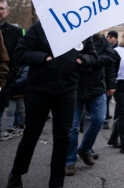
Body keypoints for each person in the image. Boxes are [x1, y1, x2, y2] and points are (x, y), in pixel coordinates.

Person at [6, 21, 96, 188]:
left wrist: (82, 60)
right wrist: (44, 57)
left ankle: (56, 183)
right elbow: (20, 53)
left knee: (63, 138)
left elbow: (93, 55)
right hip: (39, 89)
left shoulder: (81, 30)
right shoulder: (40, 28)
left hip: (67, 89)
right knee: (31, 135)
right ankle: (16, 174)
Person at [65, 32, 117, 176]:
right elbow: (68, 60)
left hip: (96, 88)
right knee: (73, 127)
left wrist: (90, 61)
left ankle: (84, 149)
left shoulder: (103, 41)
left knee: (99, 120)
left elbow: (110, 59)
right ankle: (69, 161)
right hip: (75, 88)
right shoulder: (72, 38)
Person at [0, 0, 24, 134]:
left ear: (7, 12)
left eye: (1, 8)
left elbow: (18, 56)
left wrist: (10, 75)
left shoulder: (15, 32)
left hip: (2, 82)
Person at [0, 64, 27, 141]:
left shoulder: (24, 66)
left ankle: (21, 126)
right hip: (12, 92)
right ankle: (9, 129)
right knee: (10, 111)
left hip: (20, 92)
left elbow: (24, 78)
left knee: (21, 110)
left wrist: (9, 85)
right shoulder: (10, 66)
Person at [104, 30, 119, 127]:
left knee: (109, 99)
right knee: (105, 100)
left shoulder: (118, 50)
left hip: (114, 78)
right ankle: (105, 120)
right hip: (105, 78)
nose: (109, 39)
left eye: (111, 37)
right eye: (108, 37)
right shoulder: (105, 47)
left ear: (116, 38)